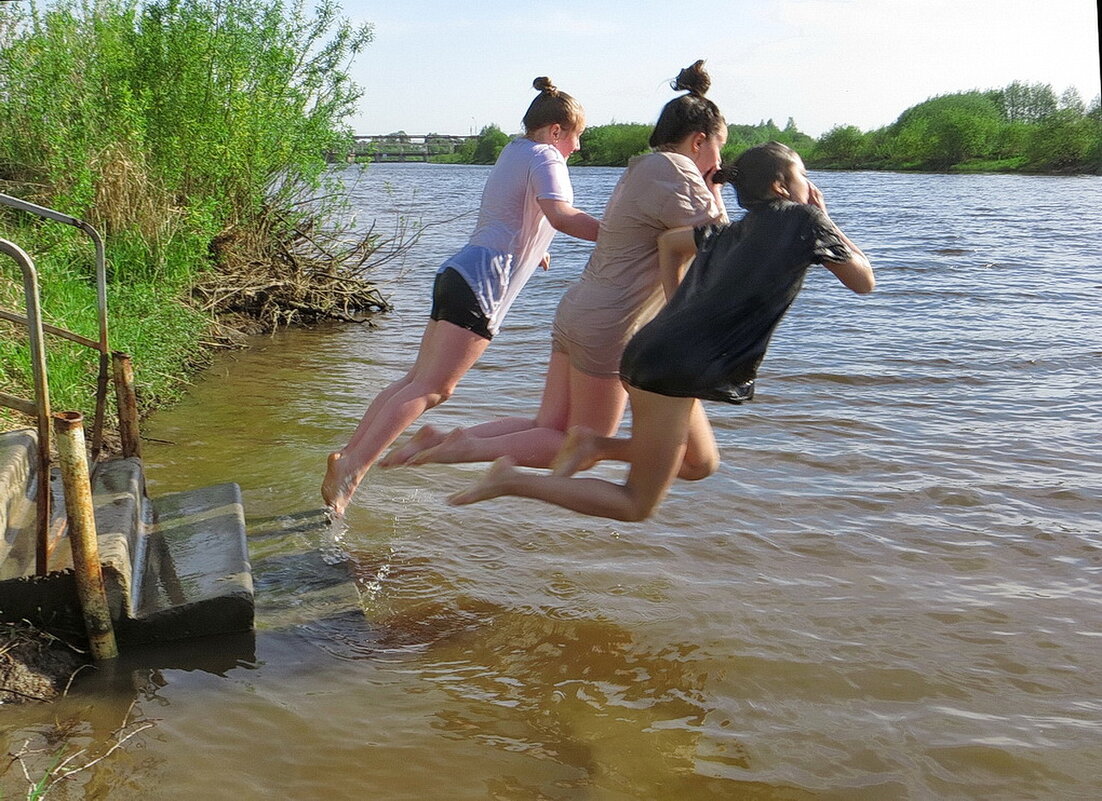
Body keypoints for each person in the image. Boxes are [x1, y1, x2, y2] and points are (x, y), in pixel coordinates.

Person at [447, 141, 875, 522]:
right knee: (636, 504)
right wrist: (826, 216)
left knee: (699, 464)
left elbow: (671, 243)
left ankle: (597, 445)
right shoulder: (805, 221)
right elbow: (863, 281)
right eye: (804, 175)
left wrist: (676, 306)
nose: (810, 185)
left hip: (656, 353)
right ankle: (511, 479)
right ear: (782, 186)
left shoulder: (730, 231)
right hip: (674, 368)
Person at [382, 60, 727, 477]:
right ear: (698, 141)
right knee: (581, 445)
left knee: (550, 428)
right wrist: (716, 186)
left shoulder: (642, 168)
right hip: (611, 323)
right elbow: (721, 247)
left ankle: (444, 440)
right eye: (719, 148)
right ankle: (456, 449)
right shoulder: (680, 171)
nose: (719, 159)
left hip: (579, 311)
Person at [322, 78, 600, 517]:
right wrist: (625, 237)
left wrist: (538, 248)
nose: (578, 147)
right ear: (555, 131)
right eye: (576, 136)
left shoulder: (514, 151)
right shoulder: (548, 155)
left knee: (416, 380)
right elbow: (561, 214)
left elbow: (513, 213)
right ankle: (353, 470)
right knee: (434, 388)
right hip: (482, 280)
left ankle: (348, 457)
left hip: (459, 270)